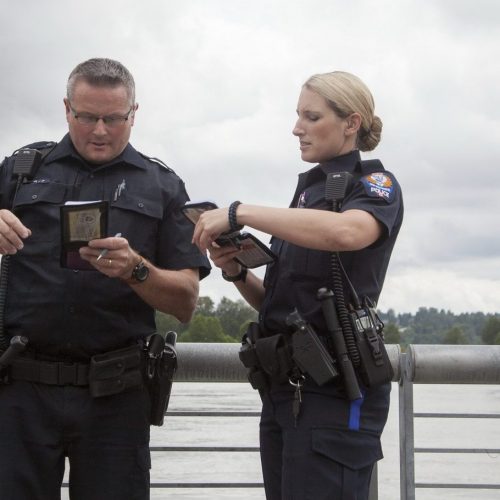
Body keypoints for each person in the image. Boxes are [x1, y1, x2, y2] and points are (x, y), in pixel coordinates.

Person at [0, 58, 210, 500]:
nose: (99, 130)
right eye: (87, 116)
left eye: (113, 119)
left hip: (116, 397)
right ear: (66, 108)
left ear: (134, 113)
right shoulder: (20, 171)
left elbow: (186, 302)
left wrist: (137, 269)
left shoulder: (163, 186)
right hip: (19, 392)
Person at [192, 71, 403, 499]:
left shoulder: (375, 186)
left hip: (335, 392)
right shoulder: (306, 197)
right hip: (285, 393)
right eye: (297, 116)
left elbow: (347, 234)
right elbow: (280, 304)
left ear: (351, 123)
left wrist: (240, 212)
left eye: (311, 116)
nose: (297, 128)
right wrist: (236, 272)